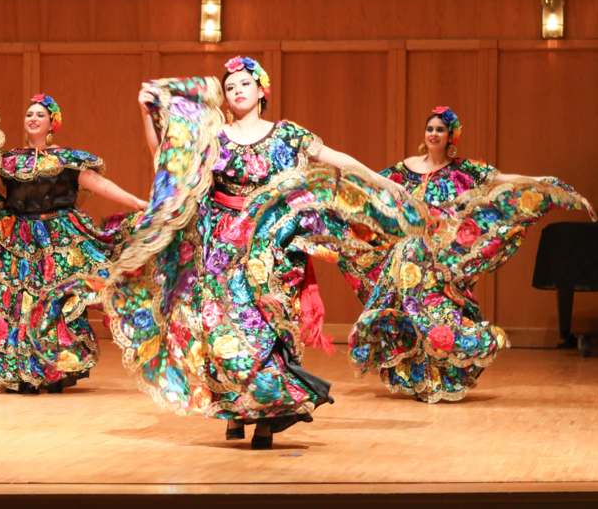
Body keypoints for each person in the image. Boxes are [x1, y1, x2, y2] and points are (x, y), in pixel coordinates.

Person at [116, 57, 416, 448]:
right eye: (230, 87)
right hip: (222, 243)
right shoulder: (215, 137)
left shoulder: (288, 135)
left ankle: (268, 415)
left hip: (272, 244)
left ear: (262, 90)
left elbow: (334, 159)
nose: (237, 90)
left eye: (244, 84)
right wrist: (147, 114)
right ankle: (237, 405)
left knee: (267, 325)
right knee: (221, 325)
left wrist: (380, 182)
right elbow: (165, 159)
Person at [343, 106, 596, 402]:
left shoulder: (465, 169)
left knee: (436, 308)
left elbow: (502, 180)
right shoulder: (404, 168)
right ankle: (416, 375)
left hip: (442, 257)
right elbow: (374, 187)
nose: (433, 134)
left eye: (440, 129)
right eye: (430, 129)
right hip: (407, 253)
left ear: (451, 136)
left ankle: (444, 370)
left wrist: (545, 182)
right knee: (409, 307)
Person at [0, 94, 146, 394]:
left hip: (58, 238)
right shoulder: (9, 161)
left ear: (51, 123)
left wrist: (136, 202)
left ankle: (54, 371)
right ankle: (19, 374)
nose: (32, 118)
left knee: (52, 305)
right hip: (17, 240)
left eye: (39, 115)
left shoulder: (68, 159)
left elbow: (98, 184)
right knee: (17, 305)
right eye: (29, 114)